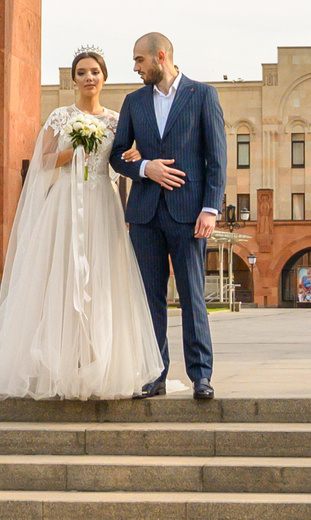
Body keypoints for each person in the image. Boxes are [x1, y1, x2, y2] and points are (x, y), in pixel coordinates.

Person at [0, 47, 157, 399]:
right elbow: (42, 161)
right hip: (66, 205)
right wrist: (72, 153)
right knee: (63, 278)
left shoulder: (117, 121)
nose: (89, 78)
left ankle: (98, 361)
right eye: (82, 73)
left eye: (94, 72)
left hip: (102, 204)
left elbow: (121, 158)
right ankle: (59, 364)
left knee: (102, 280)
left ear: (104, 77)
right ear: (74, 80)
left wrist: (134, 154)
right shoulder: (60, 116)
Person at [111, 30, 226, 399]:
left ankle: (201, 376)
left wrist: (210, 208)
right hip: (145, 215)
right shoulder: (133, 102)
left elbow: (216, 158)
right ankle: (154, 374)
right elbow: (117, 155)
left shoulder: (203, 95)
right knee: (150, 298)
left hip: (189, 214)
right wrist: (146, 168)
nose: (135, 67)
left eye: (139, 60)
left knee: (193, 296)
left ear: (160, 56)